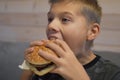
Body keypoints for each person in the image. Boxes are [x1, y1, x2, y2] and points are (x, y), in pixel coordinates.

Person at [20, 0, 120, 80]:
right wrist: (29, 69)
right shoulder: (44, 66)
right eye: (50, 19)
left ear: (92, 32)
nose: (51, 25)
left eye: (65, 19)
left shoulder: (113, 74)